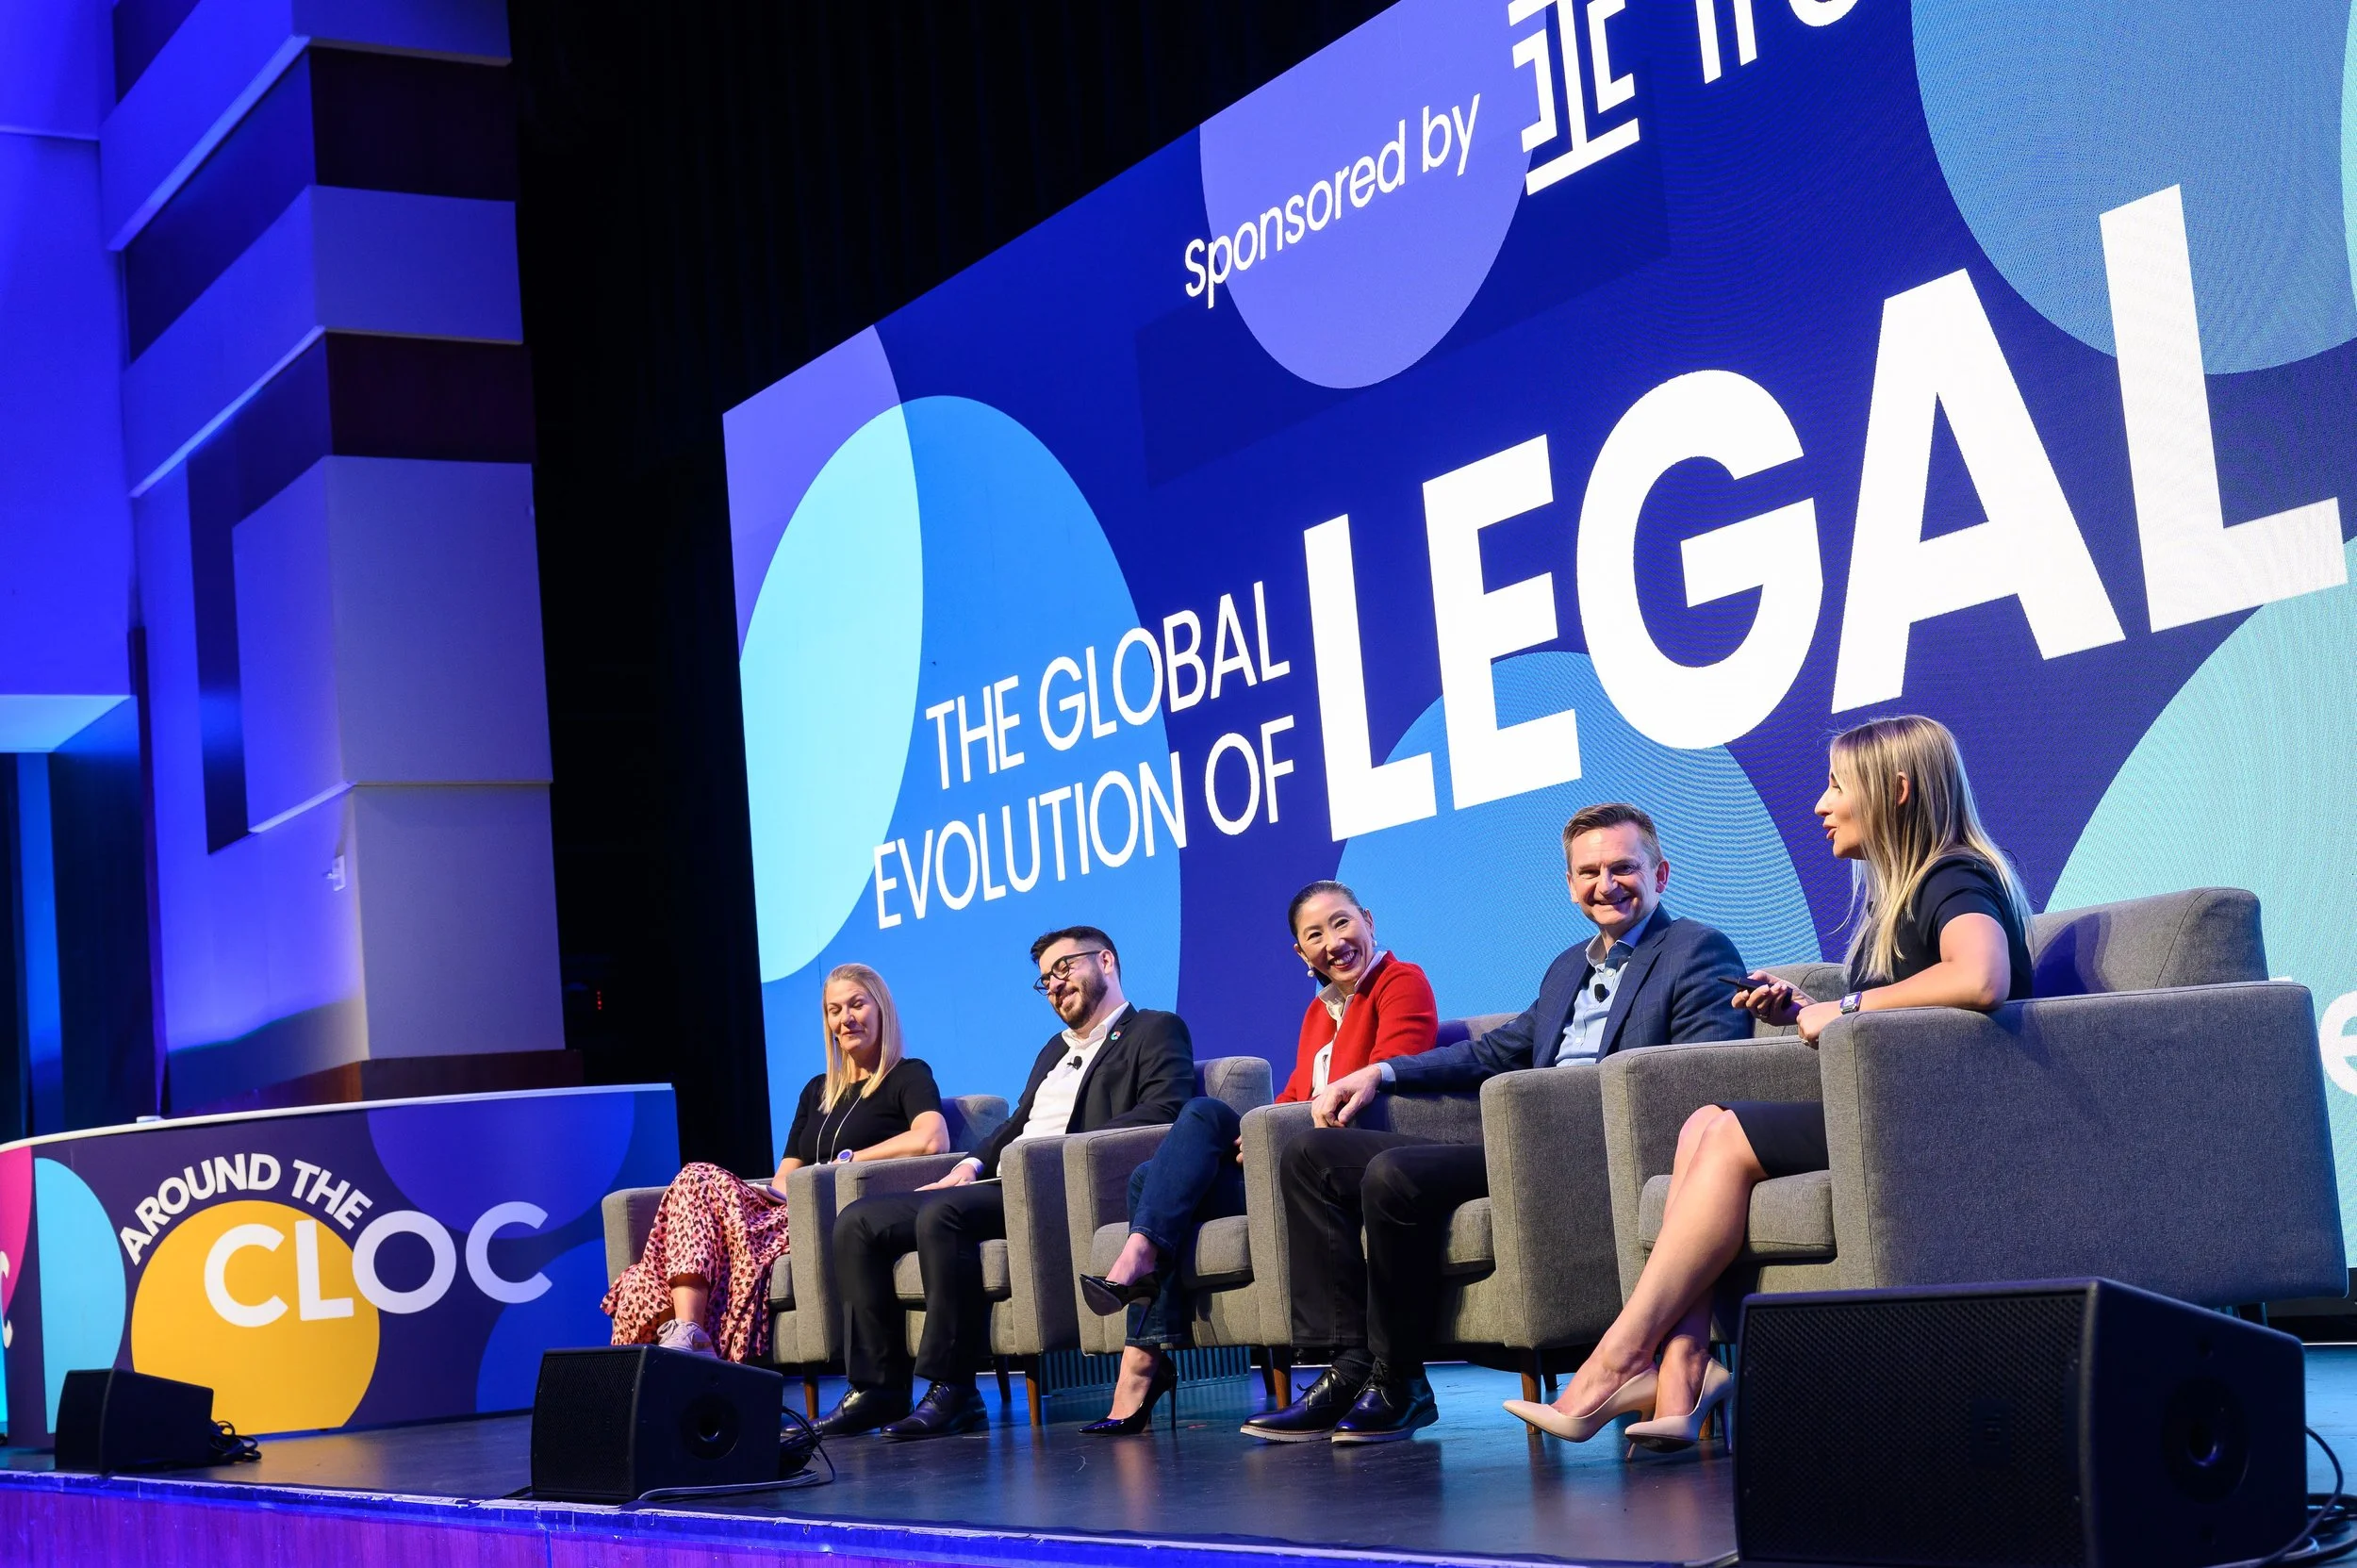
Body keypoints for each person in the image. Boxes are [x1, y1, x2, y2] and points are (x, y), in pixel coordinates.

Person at [1509, 716, 2033, 1452]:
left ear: (1899, 789)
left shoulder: (1952, 873)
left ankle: (1619, 1357)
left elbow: (1981, 976)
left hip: (1939, 1121)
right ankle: (1685, 1373)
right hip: (1892, 1109)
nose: (1821, 804)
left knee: (1720, 1133)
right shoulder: (1904, 891)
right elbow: (1903, 1012)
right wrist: (1803, 1011)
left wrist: (1843, 1006)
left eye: (1836, 786)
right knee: (1700, 1125)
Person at [1245, 802, 1750, 1444]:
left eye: (1623, 867)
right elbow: (1493, 1051)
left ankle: (1399, 1381)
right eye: (1589, 871)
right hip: (1524, 1143)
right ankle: (1349, 1367)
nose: (1606, 883)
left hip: (1605, 1149)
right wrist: (1382, 1074)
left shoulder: (1695, 948)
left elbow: (1700, 1075)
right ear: (1569, 884)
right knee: (1311, 1156)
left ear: (1661, 873)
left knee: (1393, 1174)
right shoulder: (1569, 964)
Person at [1074, 881, 1438, 1434]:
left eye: (1342, 924)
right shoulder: (1319, 1014)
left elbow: (1390, 1076)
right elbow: (1293, 1096)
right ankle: (1142, 1322)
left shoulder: (1400, 982)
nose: (1333, 942)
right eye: (1314, 935)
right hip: (1295, 1166)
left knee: (1204, 1115)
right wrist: (1264, 1134)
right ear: (1300, 953)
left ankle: (1139, 1328)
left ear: (1368, 920)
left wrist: (1275, 1127)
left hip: (1354, 1162)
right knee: (1153, 1176)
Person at [817, 925, 1195, 1439]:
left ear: (1106, 961)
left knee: (942, 1215)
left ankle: (954, 1390)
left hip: (1061, 1184)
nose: (1056, 985)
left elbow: (1165, 1109)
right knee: (859, 1222)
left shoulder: (1154, 1029)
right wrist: (968, 1167)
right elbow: (1018, 1124)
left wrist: (1056, 1152)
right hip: (1005, 1182)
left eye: (1065, 969)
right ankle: (878, 1389)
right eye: (1046, 980)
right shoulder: (1052, 1050)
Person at [602, 963, 948, 1362]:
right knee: (663, 1245)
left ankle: (689, 1337)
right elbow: (785, 1176)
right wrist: (748, 1199)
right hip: (786, 1211)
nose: (846, 1019)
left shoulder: (908, 1075)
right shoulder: (817, 1090)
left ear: (881, 1008)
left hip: (837, 1215)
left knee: (696, 1177)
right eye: (834, 1010)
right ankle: (687, 1340)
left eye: (856, 1005)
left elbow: (931, 1138)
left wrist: (846, 1162)